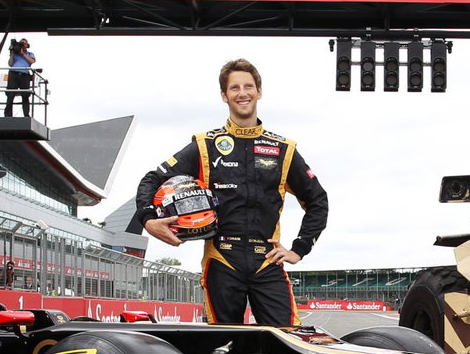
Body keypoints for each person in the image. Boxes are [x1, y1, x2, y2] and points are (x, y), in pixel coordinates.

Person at [136, 58, 328, 327]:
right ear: (224, 95)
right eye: (234, 88)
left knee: (288, 342)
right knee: (224, 346)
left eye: (248, 86)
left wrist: (299, 249)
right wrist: (147, 219)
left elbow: (318, 200)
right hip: (222, 258)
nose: (243, 93)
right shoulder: (205, 145)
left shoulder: (283, 149)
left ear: (259, 92)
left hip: (268, 261)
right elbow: (153, 178)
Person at [3, 38, 36, 116]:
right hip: (13, 74)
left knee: (25, 95)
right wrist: (12, 54)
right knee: (10, 95)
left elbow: (32, 61)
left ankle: (26, 114)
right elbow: (10, 64)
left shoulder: (30, 54)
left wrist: (23, 54)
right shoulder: (15, 53)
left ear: (27, 45)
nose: (22, 45)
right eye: (21, 43)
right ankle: (8, 115)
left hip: (24, 75)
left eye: (24, 43)